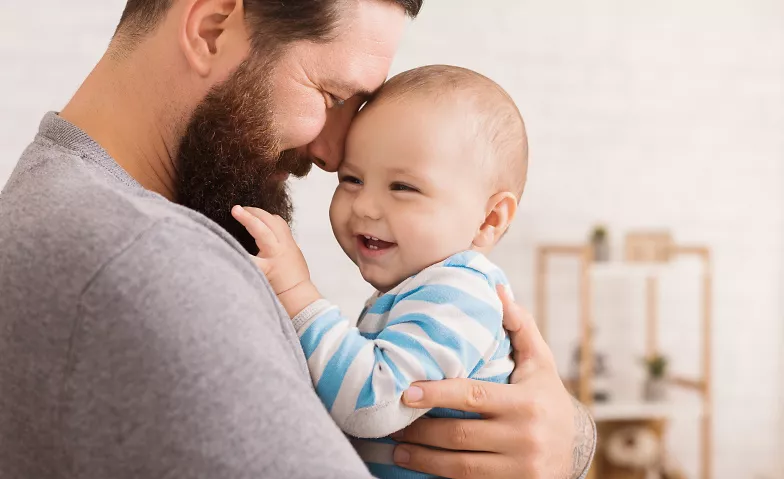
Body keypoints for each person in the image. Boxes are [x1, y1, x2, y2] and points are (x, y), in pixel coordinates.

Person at [0, 1, 595, 478]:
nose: (334, 153)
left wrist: (556, 435)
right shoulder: (148, 260)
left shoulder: (54, 205)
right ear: (212, 30)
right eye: (332, 97)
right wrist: (566, 447)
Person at [231, 65, 526, 479]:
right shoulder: (419, 290)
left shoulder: (460, 293)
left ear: (488, 219)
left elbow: (372, 401)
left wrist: (298, 292)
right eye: (351, 179)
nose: (366, 206)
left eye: (402, 187)